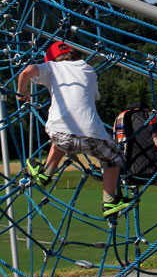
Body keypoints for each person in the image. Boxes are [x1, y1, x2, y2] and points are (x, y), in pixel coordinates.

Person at [17, 40, 134, 219]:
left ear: (52, 59)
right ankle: (109, 200)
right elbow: (94, 97)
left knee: (61, 135)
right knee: (114, 158)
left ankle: (46, 174)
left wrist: (22, 92)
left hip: (59, 134)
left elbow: (27, 71)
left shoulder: (52, 67)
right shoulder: (88, 69)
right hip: (92, 135)